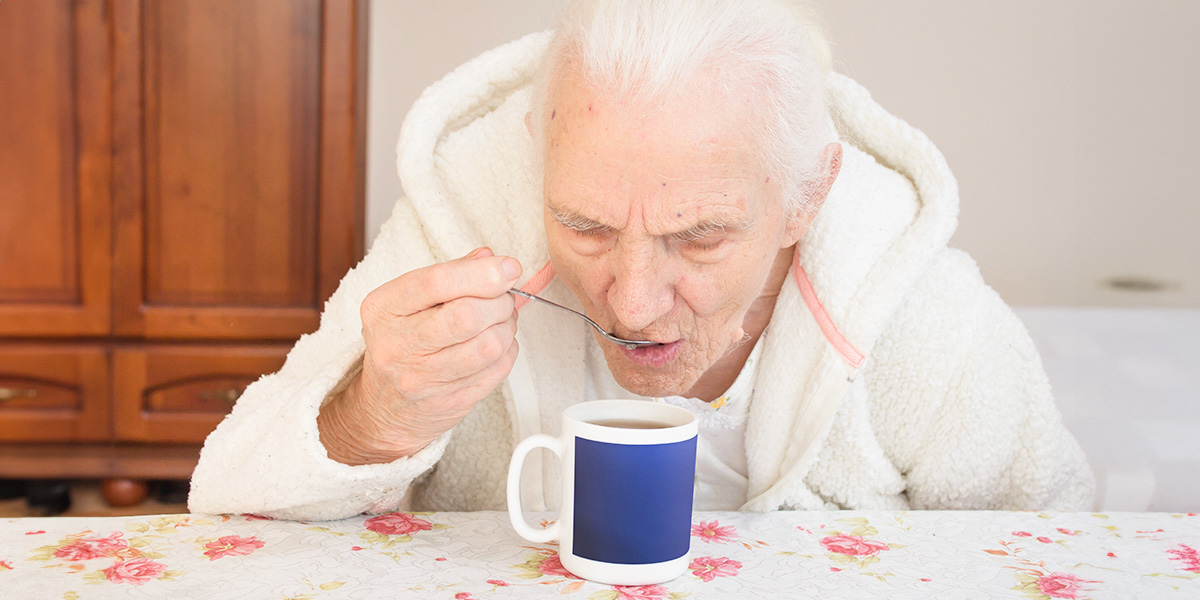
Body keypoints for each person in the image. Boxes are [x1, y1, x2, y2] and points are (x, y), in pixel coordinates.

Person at [188, 0, 1094, 520]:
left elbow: (1068, 558)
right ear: (538, 154)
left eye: (698, 235)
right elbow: (226, 502)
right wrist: (372, 418)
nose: (630, 302)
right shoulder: (464, 225)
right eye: (582, 224)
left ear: (808, 196)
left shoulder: (923, 312)